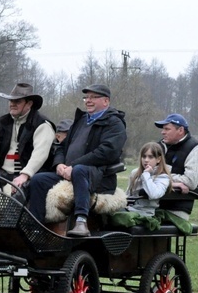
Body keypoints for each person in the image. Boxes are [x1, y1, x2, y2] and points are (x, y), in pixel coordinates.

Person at [27, 84, 127, 237]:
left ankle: (81, 222)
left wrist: (73, 166)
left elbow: (107, 152)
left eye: (94, 97)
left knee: (80, 170)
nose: (88, 100)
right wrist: (59, 164)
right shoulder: (81, 121)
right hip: (69, 172)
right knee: (38, 180)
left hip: (99, 176)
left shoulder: (114, 123)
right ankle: (36, 228)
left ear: (106, 101)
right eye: (86, 97)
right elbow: (60, 147)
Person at [0, 83, 55, 198]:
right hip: (2, 174)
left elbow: (39, 156)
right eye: (11, 101)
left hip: (31, 176)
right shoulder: (1, 123)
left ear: (29, 104)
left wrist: (25, 175)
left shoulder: (42, 125)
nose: (12, 104)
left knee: (14, 201)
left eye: (18, 101)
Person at [154, 113, 198, 221]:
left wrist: (161, 175)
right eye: (163, 129)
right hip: (151, 203)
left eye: (167, 129)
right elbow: (145, 174)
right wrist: (171, 180)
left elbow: (191, 182)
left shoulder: (195, 149)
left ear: (181, 130)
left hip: (177, 208)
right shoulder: (159, 146)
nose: (162, 132)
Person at [109, 142, 171, 230]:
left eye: (150, 157)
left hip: (146, 212)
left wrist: (146, 175)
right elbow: (128, 194)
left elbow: (154, 194)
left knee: (118, 218)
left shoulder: (162, 177)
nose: (146, 160)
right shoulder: (135, 173)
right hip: (129, 208)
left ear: (158, 159)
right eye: (144, 156)